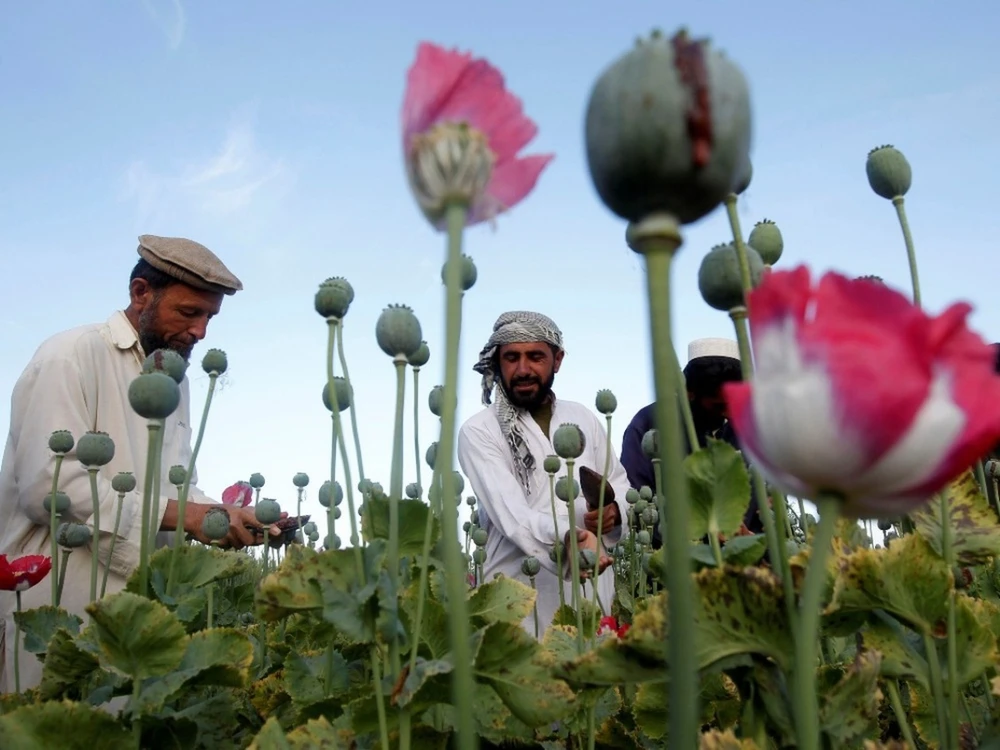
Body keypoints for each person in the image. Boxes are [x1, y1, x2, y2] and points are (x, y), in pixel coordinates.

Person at [0, 234, 281, 694]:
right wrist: (187, 516)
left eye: (210, 317)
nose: (201, 332)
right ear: (140, 294)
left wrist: (224, 516)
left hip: (138, 616)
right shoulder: (69, 356)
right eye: (189, 313)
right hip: (58, 605)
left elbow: (178, 487)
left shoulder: (174, 378)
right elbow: (50, 487)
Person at [457, 311, 632, 637]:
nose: (523, 369)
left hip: (593, 589)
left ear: (557, 360)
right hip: (517, 596)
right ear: (497, 362)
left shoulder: (582, 417)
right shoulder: (479, 431)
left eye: (535, 356)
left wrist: (615, 512)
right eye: (512, 358)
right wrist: (569, 537)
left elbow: (619, 481)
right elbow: (513, 515)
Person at [620, 338, 764, 542]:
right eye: (718, 406)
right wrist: (705, 528)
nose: (729, 414)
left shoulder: (748, 429)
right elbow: (636, 504)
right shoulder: (649, 424)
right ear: (689, 394)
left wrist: (751, 538)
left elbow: (764, 504)